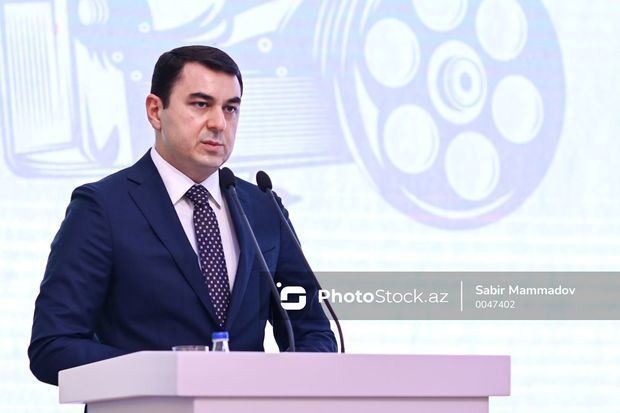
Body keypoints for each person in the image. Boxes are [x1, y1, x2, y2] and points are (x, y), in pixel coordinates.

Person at [28, 45, 336, 386]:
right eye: (201, 104)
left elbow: (313, 331)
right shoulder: (102, 208)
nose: (219, 123)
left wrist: (282, 382)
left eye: (230, 108)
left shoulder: (263, 208)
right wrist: (169, 375)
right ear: (155, 111)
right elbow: (53, 347)